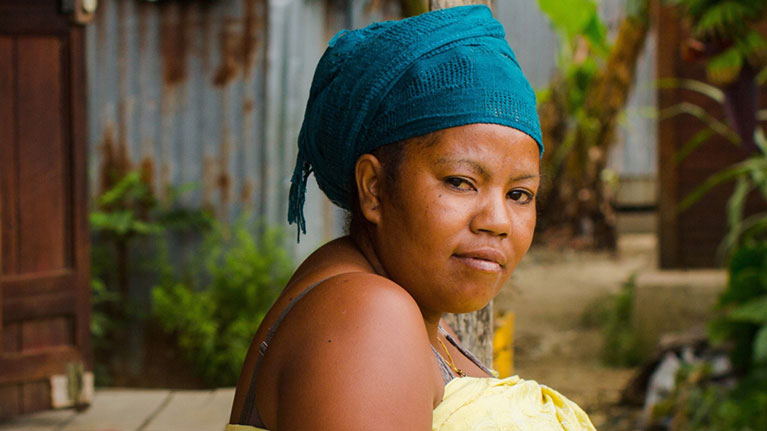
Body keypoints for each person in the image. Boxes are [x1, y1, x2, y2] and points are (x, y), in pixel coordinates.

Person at [227, 5, 596, 431]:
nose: (497, 220)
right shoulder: (369, 318)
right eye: (460, 182)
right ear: (374, 188)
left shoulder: (414, 316)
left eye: (519, 194)